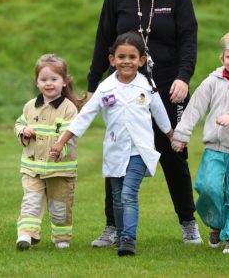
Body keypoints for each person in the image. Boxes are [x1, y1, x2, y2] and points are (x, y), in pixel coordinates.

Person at [87, 0, 201, 246]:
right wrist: (94, 83)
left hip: (167, 85)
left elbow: (188, 41)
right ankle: (113, 227)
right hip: (123, 86)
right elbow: (102, 41)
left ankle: (188, 223)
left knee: (174, 153)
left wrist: (183, 77)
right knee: (118, 153)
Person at [51, 32, 173, 256]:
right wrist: (61, 142)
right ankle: (118, 234)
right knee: (117, 197)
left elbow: (160, 112)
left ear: (141, 61)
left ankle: (128, 238)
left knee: (128, 194)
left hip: (139, 150)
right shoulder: (105, 88)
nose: (127, 61)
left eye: (132, 57)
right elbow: (85, 116)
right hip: (115, 150)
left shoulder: (147, 86)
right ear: (112, 60)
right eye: (121, 56)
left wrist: (172, 136)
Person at [171, 30, 229, 254]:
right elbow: (195, 106)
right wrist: (181, 135)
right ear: (222, 58)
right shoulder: (213, 80)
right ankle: (216, 223)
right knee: (207, 186)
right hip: (213, 147)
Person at [13, 54, 85, 250]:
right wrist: (23, 132)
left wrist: (60, 148)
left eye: (54, 79)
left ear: (64, 81)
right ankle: (26, 235)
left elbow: (71, 134)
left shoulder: (69, 109)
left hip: (60, 169)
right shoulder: (30, 106)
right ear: (37, 82)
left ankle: (61, 238)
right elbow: (19, 123)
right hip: (32, 168)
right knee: (31, 201)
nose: (48, 83)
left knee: (60, 207)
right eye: (43, 79)